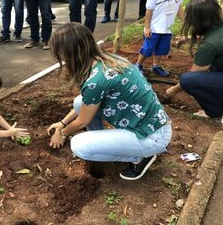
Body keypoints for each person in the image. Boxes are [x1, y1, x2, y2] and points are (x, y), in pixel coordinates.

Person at [47, 22, 172, 180]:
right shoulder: (109, 60)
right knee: (79, 102)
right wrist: (63, 123)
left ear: (71, 53)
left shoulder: (95, 81)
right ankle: (104, 142)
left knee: (79, 145)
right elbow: (85, 105)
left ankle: (138, 157)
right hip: (152, 124)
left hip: (151, 136)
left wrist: (62, 133)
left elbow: (82, 121)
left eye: (61, 54)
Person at [166, 0, 223, 119]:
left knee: (188, 79)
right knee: (212, 66)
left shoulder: (209, 45)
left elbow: (195, 74)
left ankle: (216, 111)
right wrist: (187, 39)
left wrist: (173, 90)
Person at [135, 0, 184, 77]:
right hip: (154, 28)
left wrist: (185, 22)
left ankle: (156, 66)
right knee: (147, 48)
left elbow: (179, 7)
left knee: (162, 48)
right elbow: (149, 10)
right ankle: (138, 65)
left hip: (168, 27)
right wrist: (147, 27)